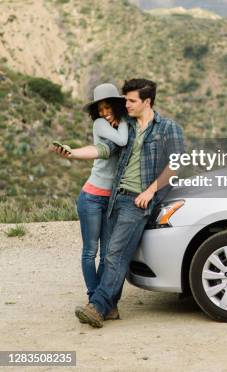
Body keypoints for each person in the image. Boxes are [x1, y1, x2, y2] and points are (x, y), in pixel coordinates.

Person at [54, 78, 184, 328]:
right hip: (116, 198)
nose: (126, 104)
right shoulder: (126, 126)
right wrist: (73, 153)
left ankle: (98, 306)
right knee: (113, 255)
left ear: (147, 102)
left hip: (138, 200)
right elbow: (102, 150)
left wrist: (150, 190)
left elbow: (176, 165)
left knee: (113, 254)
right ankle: (110, 307)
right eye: (125, 100)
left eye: (131, 101)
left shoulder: (168, 128)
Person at [52, 83, 128, 315]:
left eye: (108, 108)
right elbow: (122, 141)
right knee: (90, 252)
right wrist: (73, 153)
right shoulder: (101, 124)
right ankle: (94, 300)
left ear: (116, 105)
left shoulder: (122, 123)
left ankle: (103, 303)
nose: (104, 113)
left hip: (111, 199)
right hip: (92, 197)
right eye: (101, 109)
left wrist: (122, 120)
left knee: (106, 253)